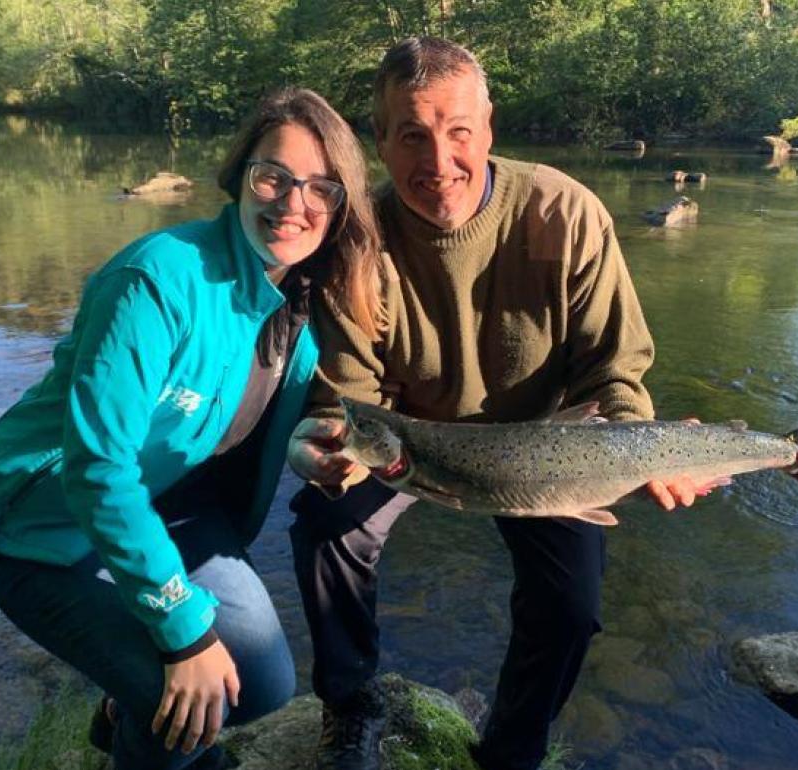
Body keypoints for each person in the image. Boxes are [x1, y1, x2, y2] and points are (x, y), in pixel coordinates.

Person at [287, 38, 712, 770]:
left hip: (549, 445)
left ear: (488, 128)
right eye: (412, 135)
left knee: (572, 607)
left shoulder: (565, 213)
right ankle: (349, 705)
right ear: (380, 141)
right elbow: (349, 397)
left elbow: (614, 371)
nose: (439, 160)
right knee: (325, 529)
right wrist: (322, 448)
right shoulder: (358, 246)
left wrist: (643, 449)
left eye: (458, 132)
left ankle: (512, 753)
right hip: (409, 445)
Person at [0, 87, 382, 770]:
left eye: (319, 188)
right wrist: (183, 634)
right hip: (35, 529)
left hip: (167, 509)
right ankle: (147, 717)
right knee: (181, 702)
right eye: (274, 176)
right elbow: (98, 470)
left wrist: (303, 448)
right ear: (241, 176)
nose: (293, 203)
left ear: (340, 204)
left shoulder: (301, 303)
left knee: (264, 684)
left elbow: (244, 427)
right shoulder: (154, 281)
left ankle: (123, 712)